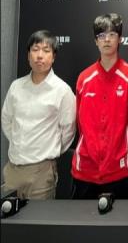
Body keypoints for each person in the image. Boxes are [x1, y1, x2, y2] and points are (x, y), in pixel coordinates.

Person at [1, 30, 76, 200]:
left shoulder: (62, 90)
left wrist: (49, 150)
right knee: (8, 216)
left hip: (41, 173)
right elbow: (6, 120)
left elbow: (68, 130)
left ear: (53, 57)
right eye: (35, 50)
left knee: (38, 217)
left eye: (46, 50)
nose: (39, 55)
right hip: (13, 169)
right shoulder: (16, 86)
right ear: (28, 55)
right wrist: (19, 142)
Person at [71, 13, 128, 199]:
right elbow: (80, 123)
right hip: (85, 168)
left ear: (120, 39)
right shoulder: (84, 78)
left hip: (118, 169)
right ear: (96, 41)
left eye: (112, 34)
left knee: (117, 218)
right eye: (101, 35)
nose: (107, 39)